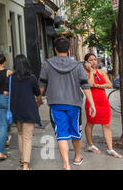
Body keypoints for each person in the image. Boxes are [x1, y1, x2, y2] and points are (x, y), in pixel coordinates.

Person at [38, 37, 97, 170]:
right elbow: (85, 85)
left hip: (55, 104)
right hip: (74, 104)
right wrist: (92, 103)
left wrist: (38, 99)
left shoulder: (47, 64)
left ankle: (66, 165)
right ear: (69, 50)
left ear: (55, 49)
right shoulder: (77, 65)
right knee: (76, 131)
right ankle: (77, 157)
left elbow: (41, 85)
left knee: (61, 134)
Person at [5, 54, 43, 170]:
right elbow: (38, 94)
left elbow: (5, 93)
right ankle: (25, 165)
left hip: (16, 110)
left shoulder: (11, 78)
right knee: (27, 137)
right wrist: (39, 102)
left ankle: (22, 159)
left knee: (20, 135)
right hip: (29, 111)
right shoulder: (32, 78)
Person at [83, 53, 122, 158]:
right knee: (91, 123)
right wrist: (91, 71)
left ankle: (110, 149)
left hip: (103, 101)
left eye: (95, 59)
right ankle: (90, 145)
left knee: (106, 124)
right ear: (86, 62)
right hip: (92, 102)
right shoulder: (85, 73)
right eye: (91, 60)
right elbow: (90, 84)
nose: (94, 61)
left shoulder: (101, 72)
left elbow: (110, 84)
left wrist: (99, 85)